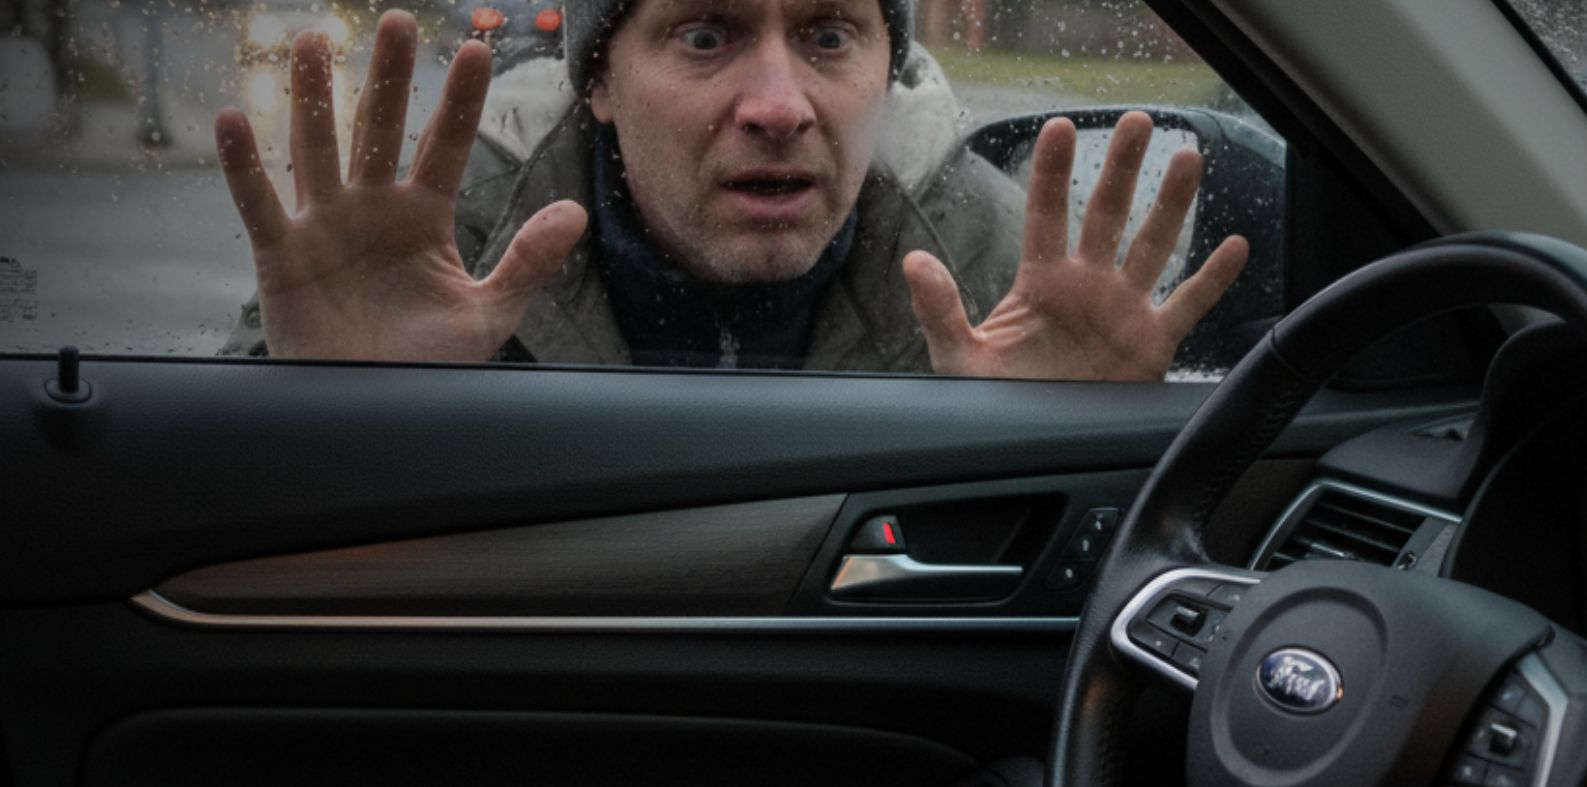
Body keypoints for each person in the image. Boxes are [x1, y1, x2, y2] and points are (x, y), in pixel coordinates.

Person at [215, 0, 1250, 380]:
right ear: (602, 85)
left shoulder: (992, 265)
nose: (779, 105)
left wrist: (1077, 448)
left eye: (828, 35)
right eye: (706, 35)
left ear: (885, 69)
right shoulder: (448, 240)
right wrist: (313, 411)